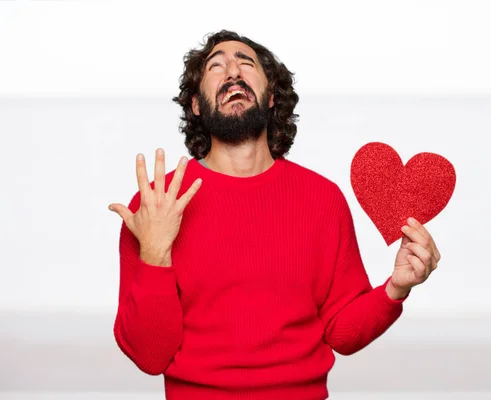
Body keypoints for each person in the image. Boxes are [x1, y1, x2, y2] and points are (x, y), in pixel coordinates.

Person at [108, 30, 441, 400]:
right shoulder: (157, 204)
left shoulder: (322, 199)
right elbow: (150, 356)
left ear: (270, 97)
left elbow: (342, 332)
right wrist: (155, 253)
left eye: (245, 63)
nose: (232, 70)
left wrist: (396, 288)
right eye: (215, 66)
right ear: (197, 106)